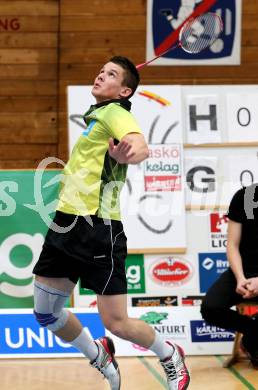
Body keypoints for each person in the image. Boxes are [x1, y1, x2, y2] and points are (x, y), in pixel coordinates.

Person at [32, 56, 190, 390]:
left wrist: (131, 152)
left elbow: (139, 144)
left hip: (98, 230)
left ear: (124, 91)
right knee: (46, 313)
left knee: (116, 322)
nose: (101, 75)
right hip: (66, 223)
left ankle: (169, 353)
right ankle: (98, 354)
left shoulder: (117, 113)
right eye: (102, 70)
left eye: (112, 74)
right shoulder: (99, 115)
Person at [201, 184, 258, 367]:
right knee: (210, 308)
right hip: (244, 271)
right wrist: (240, 277)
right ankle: (253, 331)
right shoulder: (245, 196)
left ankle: (253, 343)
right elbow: (232, 245)